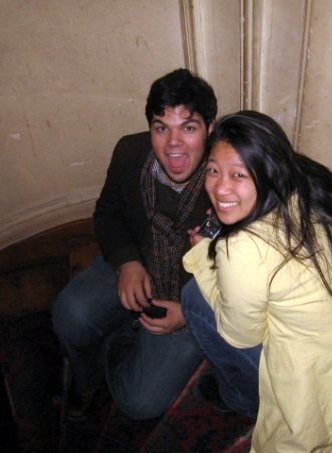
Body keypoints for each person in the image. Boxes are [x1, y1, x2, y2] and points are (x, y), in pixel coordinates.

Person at [182, 111, 332, 452]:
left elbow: (241, 335)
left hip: (317, 385)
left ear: (268, 172)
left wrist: (205, 257)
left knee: (194, 297)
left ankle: (240, 399)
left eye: (238, 174)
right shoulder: (314, 182)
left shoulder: (243, 250)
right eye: (213, 170)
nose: (220, 188)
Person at [52, 68, 217, 420]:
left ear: (210, 129)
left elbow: (244, 284)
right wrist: (127, 262)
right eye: (161, 128)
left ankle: (118, 343)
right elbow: (108, 212)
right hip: (138, 261)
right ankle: (88, 380)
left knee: (139, 402)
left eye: (188, 128)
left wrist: (189, 314)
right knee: (69, 314)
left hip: (189, 298)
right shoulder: (129, 152)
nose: (173, 144)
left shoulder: (231, 183)